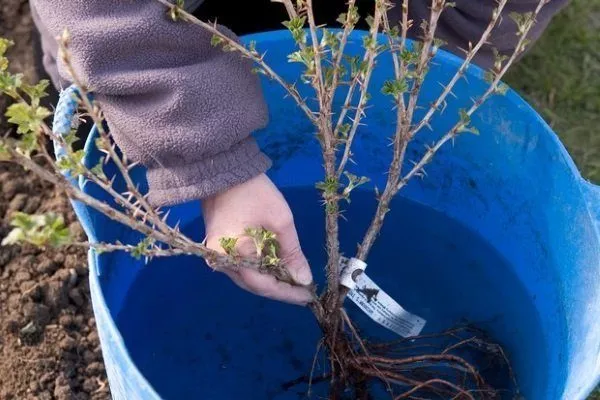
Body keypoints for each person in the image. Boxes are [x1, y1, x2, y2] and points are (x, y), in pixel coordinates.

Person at [30, 0, 568, 306]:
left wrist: (427, 59)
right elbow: (97, 14)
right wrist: (212, 164)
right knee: (105, 123)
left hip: (365, 12)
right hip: (133, 28)